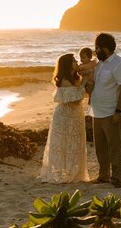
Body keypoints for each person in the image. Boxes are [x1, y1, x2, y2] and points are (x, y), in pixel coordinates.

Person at [38, 53, 90, 183]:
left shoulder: (74, 78)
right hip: (65, 116)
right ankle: (63, 174)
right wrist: (84, 81)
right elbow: (75, 99)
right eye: (74, 61)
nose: (77, 63)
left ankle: (74, 173)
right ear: (68, 65)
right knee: (63, 144)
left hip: (75, 115)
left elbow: (83, 93)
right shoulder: (64, 80)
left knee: (74, 144)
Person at [89, 32, 121, 187]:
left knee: (115, 147)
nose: (95, 51)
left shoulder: (119, 64)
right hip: (97, 112)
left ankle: (117, 178)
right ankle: (103, 176)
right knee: (100, 148)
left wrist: (118, 111)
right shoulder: (100, 64)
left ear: (105, 48)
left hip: (111, 112)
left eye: (97, 48)